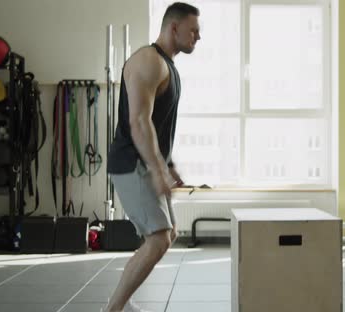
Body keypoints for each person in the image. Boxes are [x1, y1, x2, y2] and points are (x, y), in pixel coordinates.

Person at [104, 3, 200, 311]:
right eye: (193, 31)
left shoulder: (167, 65)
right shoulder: (148, 61)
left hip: (147, 162)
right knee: (158, 239)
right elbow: (138, 122)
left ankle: (121, 302)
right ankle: (113, 309)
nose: (197, 37)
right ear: (174, 28)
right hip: (132, 163)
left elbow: (156, 124)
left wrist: (167, 164)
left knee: (166, 236)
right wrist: (158, 169)